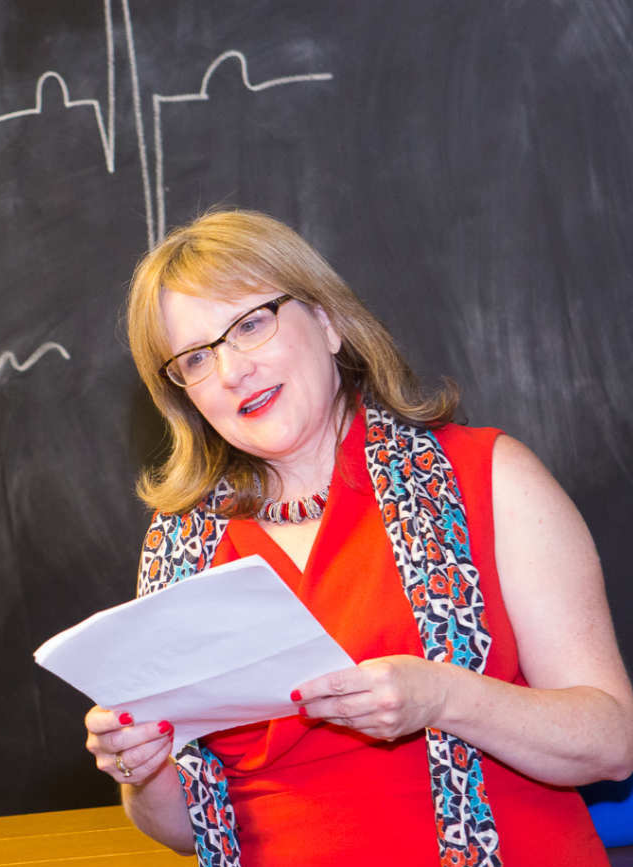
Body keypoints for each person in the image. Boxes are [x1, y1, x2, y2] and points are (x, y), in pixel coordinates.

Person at [85, 209, 633, 867]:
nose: (231, 373)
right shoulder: (178, 548)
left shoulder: (487, 475)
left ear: (326, 321)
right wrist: (139, 765)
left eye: (251, 324)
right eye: (196, 359)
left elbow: (611, 739)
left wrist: (444, 696)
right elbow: (189, 826)